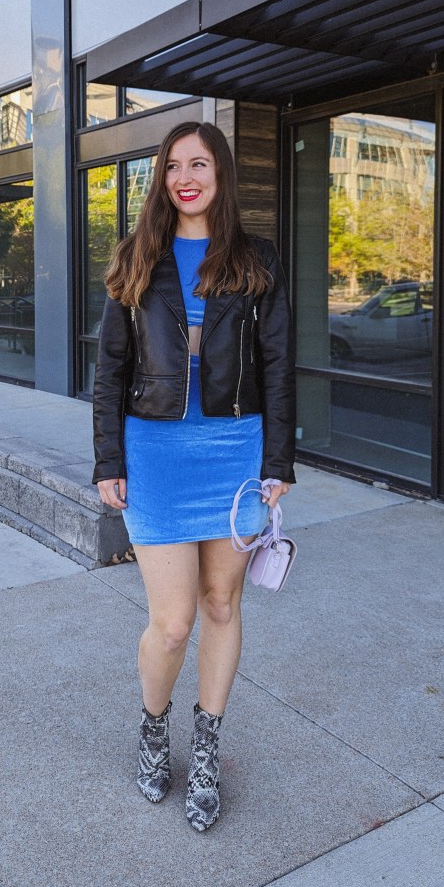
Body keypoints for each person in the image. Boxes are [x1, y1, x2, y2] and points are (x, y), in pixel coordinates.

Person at [92, 121, 295, 831]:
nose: (186, 176)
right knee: (172, 623)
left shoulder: (255, 258)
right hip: (154, 455)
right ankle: (155, 729)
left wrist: (278, 462)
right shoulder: (135, 257)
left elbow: (275, 365)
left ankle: (204, 748)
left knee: (219, 606)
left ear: (220, 174)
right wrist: (107, 461)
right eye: (174, 165)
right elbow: (110, 370)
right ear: (162, 178)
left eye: (199, 163)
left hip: (234, 453)